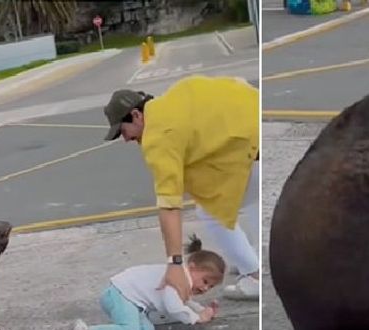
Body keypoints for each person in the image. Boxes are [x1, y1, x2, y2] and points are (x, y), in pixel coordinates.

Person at [102, 75, 259, 302]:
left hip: (248, 158)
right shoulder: (182, 91)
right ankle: (250, 256)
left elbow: (169, 206)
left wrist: (175, 263)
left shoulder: (158, 138)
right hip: (257, 131)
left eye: (123, 131)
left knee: (211, 212)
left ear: (136, 115)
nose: (126, 139)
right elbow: (238, 82)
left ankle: (253, 275)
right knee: (247, 199)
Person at [65, 235, 225, 330]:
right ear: (192, 267)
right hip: (120, 294)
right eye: (205, 281)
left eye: (210, 287)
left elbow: (184, 301)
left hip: (131, 301)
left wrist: (202, 310)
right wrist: (197, 318)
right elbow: (175, 307)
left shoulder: (181, 278)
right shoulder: (178, 278)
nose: (205, 288)